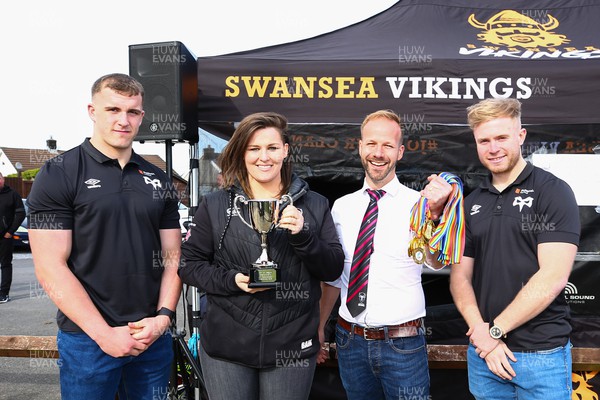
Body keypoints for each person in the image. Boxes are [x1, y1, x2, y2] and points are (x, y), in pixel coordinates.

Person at [27, 73, 182, 400]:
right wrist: (104, 335)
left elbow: (172, 259)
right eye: (113, 109)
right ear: (92, 110)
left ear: (142, 116)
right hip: (87, 341)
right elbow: (50, 267)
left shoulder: (157, 178)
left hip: (150, 339)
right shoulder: (59, 173)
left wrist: (163, 318)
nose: (123, 120)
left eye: (133, 112)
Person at [178, 111, 344, 400]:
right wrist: (232, 281)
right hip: (226, 348)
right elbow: (188, 265)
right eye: (254, 148)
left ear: (286, 151)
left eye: (271, 148)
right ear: (242, 153)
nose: (263, 157)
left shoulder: (315, 205)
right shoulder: (215, 204)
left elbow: (332, 269)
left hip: (291, 347)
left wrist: (304, 235)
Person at [318, 109, 455, 400]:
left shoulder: (420, 205)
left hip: (402, 344)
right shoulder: (341, 207)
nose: (378, 153)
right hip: (348, 341)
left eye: (387, 146)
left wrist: (433, 216)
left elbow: (435, 260)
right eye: (371, 144)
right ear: (360, 146)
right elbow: (336, 276)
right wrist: (319, 327)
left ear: (400, 151)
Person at [449, 98, 580, 400]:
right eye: (484, 140)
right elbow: (460, 278)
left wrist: (494, 332)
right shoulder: (471, 203)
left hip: (541, 355)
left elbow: (553, 276)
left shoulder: (552, 191)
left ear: (521, 136)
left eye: (501, 138)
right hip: (484, 356)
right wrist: (482, 334)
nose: (493, 148)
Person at [0, 172, 26, 303]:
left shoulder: (12, 194)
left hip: (5, 237)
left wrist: (10, 232)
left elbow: (21, 213)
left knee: (5, 265)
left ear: (3, 179)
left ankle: (3, 293)